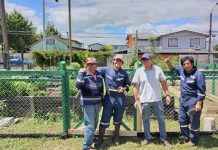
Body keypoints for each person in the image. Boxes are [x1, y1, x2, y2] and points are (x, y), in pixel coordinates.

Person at [132, 53, 172, 148]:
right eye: (143, 60)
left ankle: (163, 138)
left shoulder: (157, 69)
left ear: (151, 60)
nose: (145, 62)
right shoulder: (139, 71)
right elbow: (136, 87)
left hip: (157, 100)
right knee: (146, 119)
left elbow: (164, 83)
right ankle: (147, 137)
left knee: (161, 119)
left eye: (147, 60)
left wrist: (167, 95)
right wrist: (136, 100)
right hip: (144, 100)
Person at [165, 56, 206, 146]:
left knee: (194, 121)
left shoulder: (198, 74)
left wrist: (199, 103)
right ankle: (185, 137)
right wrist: (168, 62)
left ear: (192, 64)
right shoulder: (182, 71)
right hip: (183, 100)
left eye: (188, 63)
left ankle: (194, 140)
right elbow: (173, 69)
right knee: (182, 120)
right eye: (184, 64)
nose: (186, 65)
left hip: (193, 101)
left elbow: (202, 91)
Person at [94, 54, 130, 147]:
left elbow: (128, 85)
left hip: (120, 98)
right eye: (116, 60)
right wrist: (85, 70)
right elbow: (94, 70)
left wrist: (124, 88)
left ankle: (116, 137)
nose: (117, 62)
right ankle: (100, 138)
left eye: (119, 61)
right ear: (113, 61)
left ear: (122, 63)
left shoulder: (124, 73)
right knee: (104, 119)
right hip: (109, 98)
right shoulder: (106, 70)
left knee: (118, 119)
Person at [75, 57, 104, 150]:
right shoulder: (83, 74)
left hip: (97, 103)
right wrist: (80, 73)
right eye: (90, 64)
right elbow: (78, 85)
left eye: (94, 64)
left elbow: (101, 89)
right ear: (87, 65)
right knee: (90, 125)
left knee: (94, 124)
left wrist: (101, 100)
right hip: (88, 103)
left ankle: (89, 141)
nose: (92, 66)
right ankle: (86, 147)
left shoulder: (99, 74)